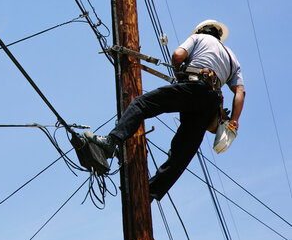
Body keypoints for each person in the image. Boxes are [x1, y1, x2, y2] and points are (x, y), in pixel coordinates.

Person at [84, 20, 246, 201]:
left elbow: (177, 56)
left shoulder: (199, 38)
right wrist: (234, 121)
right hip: (210, 104)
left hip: (193, 87)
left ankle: (111, 141)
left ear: (202, 30)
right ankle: (150, 192)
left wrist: (178, 73)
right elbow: (240, 91)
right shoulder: (232, 58)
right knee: (182, 154)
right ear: (219, 35)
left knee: (141, 104)